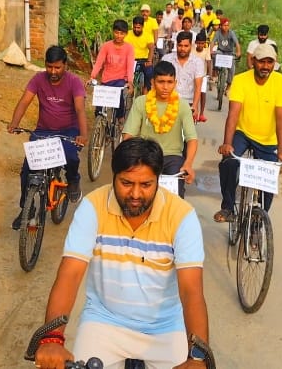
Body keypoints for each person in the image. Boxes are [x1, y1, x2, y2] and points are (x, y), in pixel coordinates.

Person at [33, 138, 210, 369]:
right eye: (126, 183)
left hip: (165, 327)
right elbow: (70, 274)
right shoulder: (92, 206)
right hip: (103, 320)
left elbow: (191, 291)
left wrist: (197, 358)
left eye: (146, 184)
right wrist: (52, 337)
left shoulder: (182, 216)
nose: (135, 194)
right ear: (114, 176)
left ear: (158, 180)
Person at [8, 45, 88, 229]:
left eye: (57, 67)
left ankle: (73, 180)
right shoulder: (38, 79)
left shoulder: (74, 82)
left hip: (68, 131)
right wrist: (14, 123)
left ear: (65, 65)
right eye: (49, 66)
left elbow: (80, 109)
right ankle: (26, 208)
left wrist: (83, 135)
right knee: (27, 169)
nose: (53, 71)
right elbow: (24, 101)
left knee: (71, 157)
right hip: (43, 131)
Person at [214, 43, 282, 223]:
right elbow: (233, 115)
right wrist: (227, 143)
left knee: (270, 176)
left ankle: (260, 217)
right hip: (243, 133)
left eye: (270, 62)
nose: (265, 66)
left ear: (275, 63)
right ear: (253, 61)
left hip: (268, 139)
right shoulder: (241, 80)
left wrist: (281, 150)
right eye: (262, 61)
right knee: (228, 162)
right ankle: (228, 207)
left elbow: (281, 118)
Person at [123, 62, 198, 198]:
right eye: (161, 82)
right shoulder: (141, 102)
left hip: (173, 158)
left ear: (175, 83)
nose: (165, 87)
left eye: (169, 82)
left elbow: (192, 139)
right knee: (135, 196)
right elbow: (128, 136)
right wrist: (130, 158)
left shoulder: (182, 106)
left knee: (176, 198)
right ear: (152, 82)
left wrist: (188, 163)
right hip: (145, 156)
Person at [90, 19, 135, 121]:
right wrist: (92, 77)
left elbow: (130, 66)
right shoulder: (106, 46)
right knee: (99, 107)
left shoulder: (129, 48)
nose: (118, 36)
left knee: (119, 99)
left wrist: (130, 82)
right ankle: (99, 124)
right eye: (116, 32)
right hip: (106, 79)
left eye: (121, 33)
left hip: (120, 80)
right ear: (113, 32)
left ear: (126, 34)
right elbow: (99, 63)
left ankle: (120, 118)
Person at [162, 31, 204, 121]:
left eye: (186, 46)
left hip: (188, 103)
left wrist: (195, 106)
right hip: (169, 102)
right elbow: (160, 81)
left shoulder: (197, 62)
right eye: (180, 45)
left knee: (187, 129)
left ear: (191, 46)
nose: (182, 49)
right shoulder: (167, 59)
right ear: (176, 45)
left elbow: (198, 86)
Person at [125, 16, 156, 93]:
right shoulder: (127, 34)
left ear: (142, 26)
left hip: (144, 60)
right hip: (131, 60)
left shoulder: (148, 35)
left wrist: (149, 61)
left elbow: (151, 48)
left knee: (149, 73)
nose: (136, 29)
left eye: (138, 27)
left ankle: (146, 90)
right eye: (135, 27)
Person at [210, 17, 241, 94]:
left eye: (227, 25)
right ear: (220, 26)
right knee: (215, 55)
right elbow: (213, 42)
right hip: (221, 51)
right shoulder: (218, 33)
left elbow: (237, 43)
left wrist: (238, 52)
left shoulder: (231, 33)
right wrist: (211, 51)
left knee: (232, 69)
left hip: (230, 52)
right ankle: (215, 73)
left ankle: (228, 86)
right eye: (224, 25)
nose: (226, 27)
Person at [191, 30, 212, 123]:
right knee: (192, 93)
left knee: (202, 93)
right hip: (192, 75)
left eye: (202, 43)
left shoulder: (206, 51)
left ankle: (202, 113)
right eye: (198, 43)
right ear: (196, 42)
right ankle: (192, 110)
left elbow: (208, 62)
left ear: (204, 43)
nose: (200, 45)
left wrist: (209, 74)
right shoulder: (192, 50)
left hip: (202, 75)